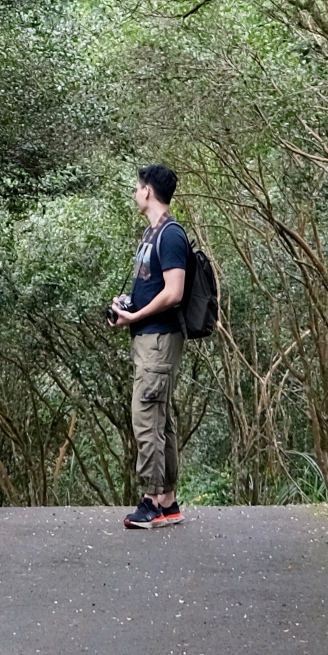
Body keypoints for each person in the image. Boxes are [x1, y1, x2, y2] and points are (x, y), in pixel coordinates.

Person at [110, 163, 189, 528]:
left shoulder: (171, 235)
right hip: (147, 336)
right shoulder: (150, 233)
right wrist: (129, 303)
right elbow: (154, 284)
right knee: (161, 419)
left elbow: (174, 293)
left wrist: (137, 314)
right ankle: (169, 502)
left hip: (159, 337)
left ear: (147, 192)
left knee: (146, 419)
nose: (134, 192)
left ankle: (151, 502)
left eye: (137, 187)